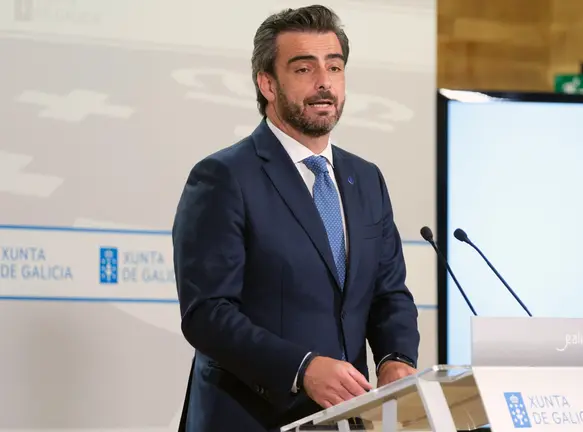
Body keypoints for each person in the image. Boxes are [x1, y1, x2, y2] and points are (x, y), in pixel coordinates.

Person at [171, 5, 420, 432]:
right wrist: (301, 368)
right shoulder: (224, 177)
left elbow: (388, 293)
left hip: (345, 418)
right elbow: (207, 313)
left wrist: (395, 359)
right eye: (304, 68)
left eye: (335, 67)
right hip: (249, 418)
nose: (325, 82)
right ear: (267, 83)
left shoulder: (366, 179)